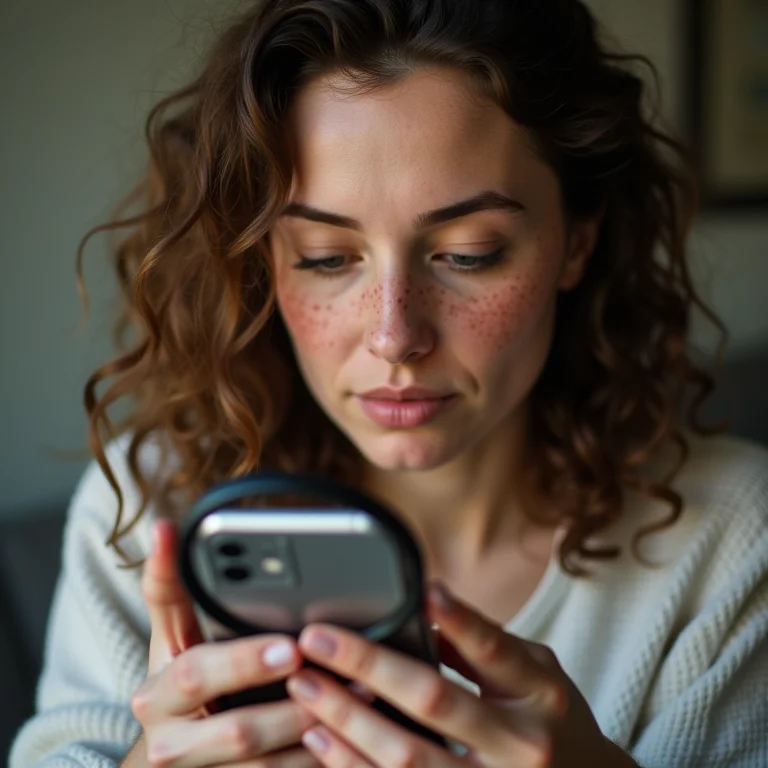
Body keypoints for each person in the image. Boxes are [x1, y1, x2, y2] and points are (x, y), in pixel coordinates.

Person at [10, 0, 768, 765]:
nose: (394, 335)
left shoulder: (732, 537)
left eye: (469, 254)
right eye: (326, 258)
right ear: (264, 260)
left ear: (577, 241)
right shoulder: (151, 507)